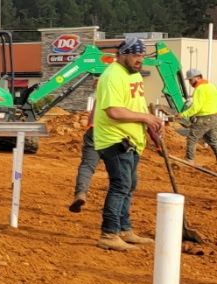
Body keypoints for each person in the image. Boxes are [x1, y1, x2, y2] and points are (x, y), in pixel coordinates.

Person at [92, 34, 164, 251]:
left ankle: (124, 229)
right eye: (136, 55)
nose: (140, 59)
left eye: (142, 55)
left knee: (129, 185)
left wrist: (151, 127)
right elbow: (113, 111)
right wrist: (145, 118)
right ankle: (109, 234)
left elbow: (138, 107)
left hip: (132, 139)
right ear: (123, 55)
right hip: (114, 139)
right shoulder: (112, 76)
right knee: (120, 185)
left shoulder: (134, 75)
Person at [178, 69, 217, 165]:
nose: (190, 82)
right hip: (213, 117)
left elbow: (196, 107)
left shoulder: (199, 89)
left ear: (198, 77)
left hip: (203, 118)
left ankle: (189, 160)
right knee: (213, 141)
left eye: (191, 80)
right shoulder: (211, 86)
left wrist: (183, 115)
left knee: (192, 138)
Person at [68, 112, 100, 212]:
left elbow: (91, 118)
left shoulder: (102, 95)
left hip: (96, 130)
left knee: (87, 166)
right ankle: (113, 207)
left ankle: (80, 193)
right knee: (117, 173)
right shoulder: (133, 97)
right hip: (117, 135)